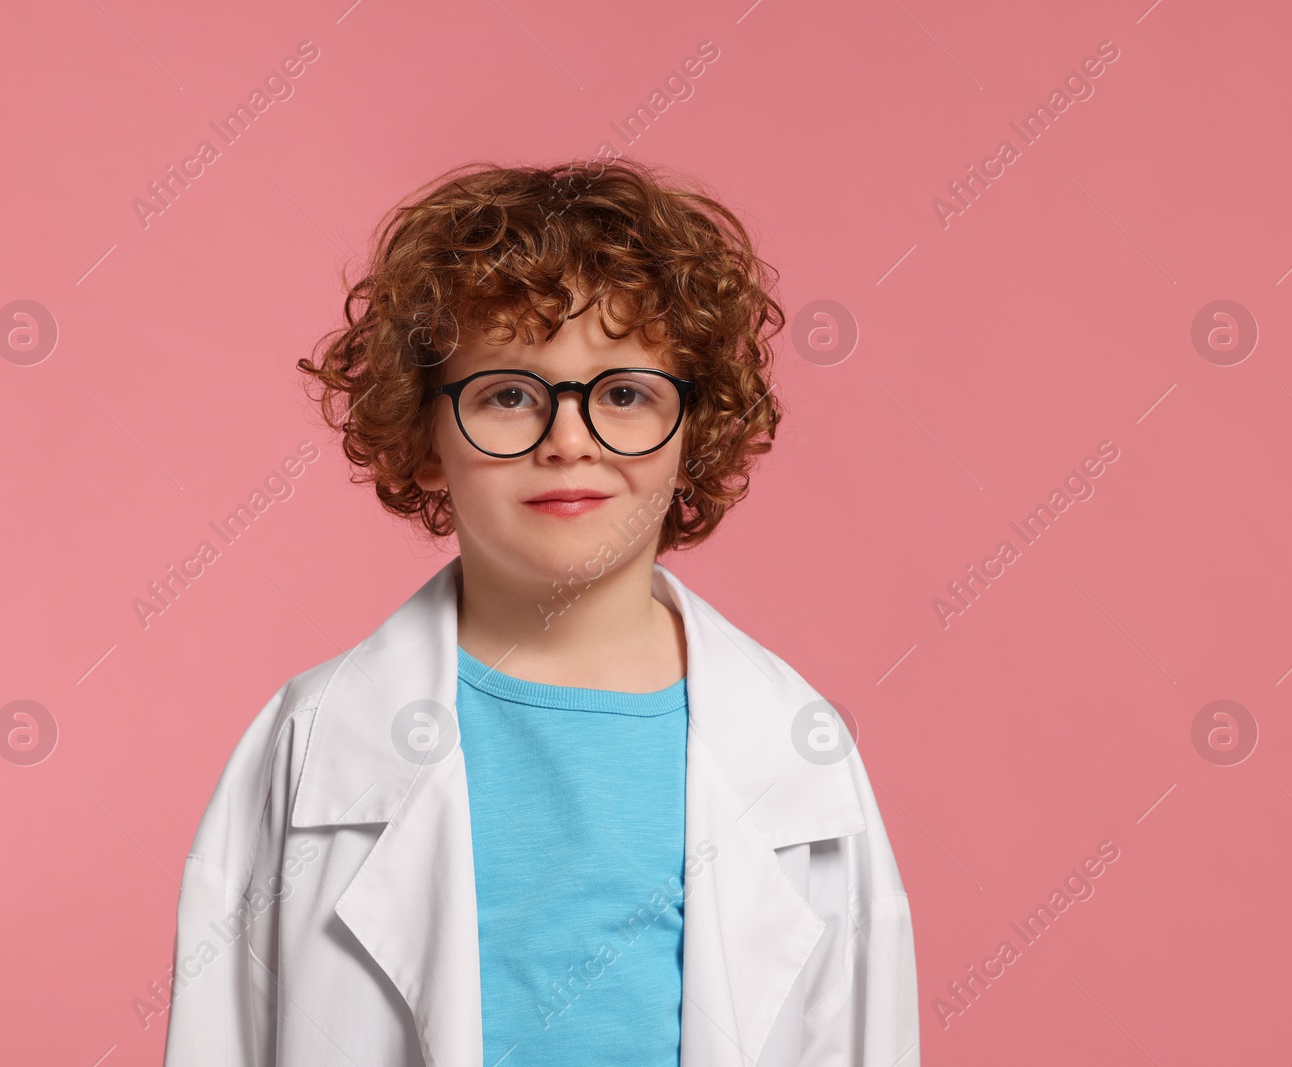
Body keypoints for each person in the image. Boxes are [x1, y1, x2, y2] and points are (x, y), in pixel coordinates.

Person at [161, 157, 918, 1067]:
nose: (569, 440)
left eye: (627, 394)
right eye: (510, 394)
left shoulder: (798, 751)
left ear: (695, 429)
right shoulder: (311, 743)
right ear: (426, 436)